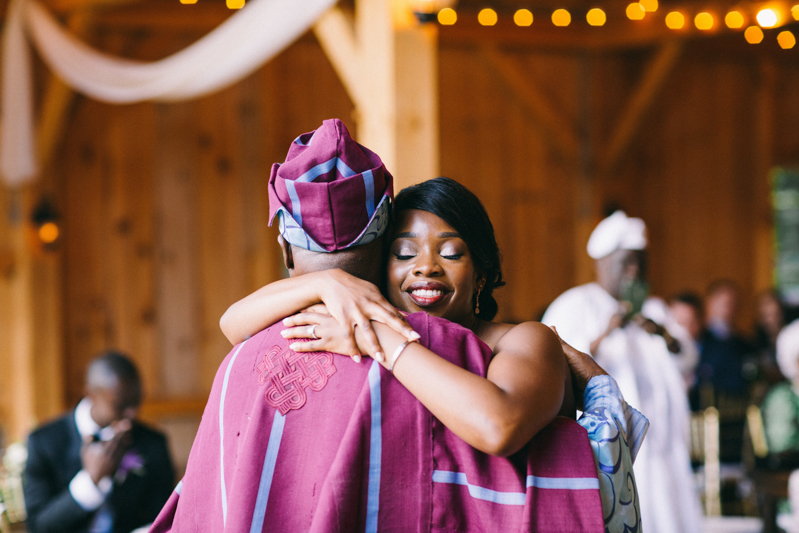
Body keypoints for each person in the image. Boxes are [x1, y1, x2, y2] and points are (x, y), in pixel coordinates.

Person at [152, 120, 645, 532]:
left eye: (450, 253)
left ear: (483, 270)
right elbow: (233, 323)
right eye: (403, 253)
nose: (424, 268)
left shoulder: (524, 339)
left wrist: (383, 336)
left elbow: (500, 426)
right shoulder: (348, 318)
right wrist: (331, 288)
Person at [542, 210, 702, 533]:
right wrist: (605, 333)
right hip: (611, 445)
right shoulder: (575, 304)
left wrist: (663, 334)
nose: (634, 271)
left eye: (641, 262)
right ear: (601, 262)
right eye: (626, 262)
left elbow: (688, 358)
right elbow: (553, 363)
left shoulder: (654, 308)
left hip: (663, 443)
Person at [24, 351, 175, 533]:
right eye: (121, 405)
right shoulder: (43, 443)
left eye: (136, 402)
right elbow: (38, 526)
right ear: (91, 394)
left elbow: (164, 516)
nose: (132, 414)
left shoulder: (154, 443)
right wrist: (90, 481)